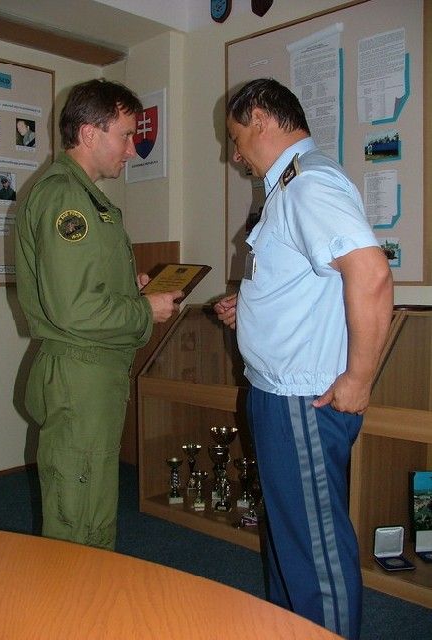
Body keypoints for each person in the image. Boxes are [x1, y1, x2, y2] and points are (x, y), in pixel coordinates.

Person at [214, 78, 393, 640]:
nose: (234, 154)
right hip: (277, 395)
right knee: (291, 542)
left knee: (315, 555)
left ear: (260, 118)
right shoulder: (288, 186)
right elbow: (308, 284)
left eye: (235, 138)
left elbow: (372, 274)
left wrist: (359, 378)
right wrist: (251, 307)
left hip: (302, 402)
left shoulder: (309, 183)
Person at [15, 79, 183, 551]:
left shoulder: (82, 195)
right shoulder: (67, 198)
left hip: (90, 371)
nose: (132, 149)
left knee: (90, 508)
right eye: (125, 135)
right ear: (89, 134)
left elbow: (81, 288)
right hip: (80, 373)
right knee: (78, 523)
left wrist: (130, 290)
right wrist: (143, 310)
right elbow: (73, 308)